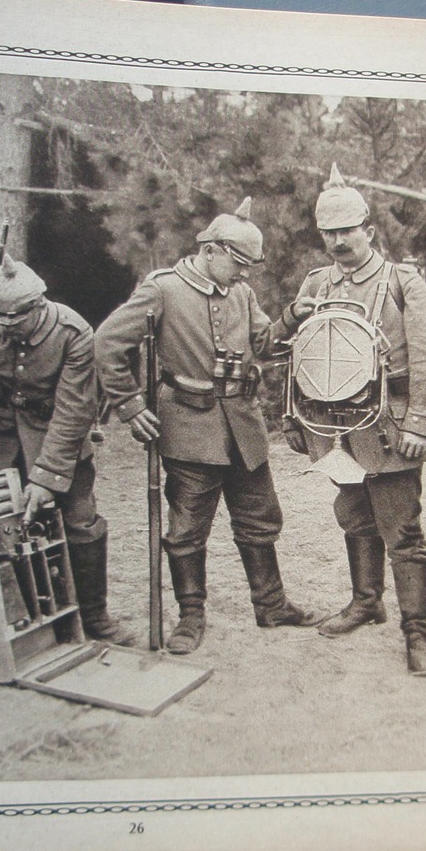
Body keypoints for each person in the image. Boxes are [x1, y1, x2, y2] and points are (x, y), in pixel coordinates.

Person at [93, 197, 319, 654]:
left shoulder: (242, 292)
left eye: (249, 266)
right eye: (238, 262)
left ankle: (271, 605)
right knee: (187, 529)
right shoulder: (162, 289)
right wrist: (131, 406)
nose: (244, 274)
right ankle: (190, 616)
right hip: (188, 427)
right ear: (210, 249)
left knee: (259, 518)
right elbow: (106, 343)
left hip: (242, 423)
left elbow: (263, 344)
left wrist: (292, 317)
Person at [276, 165, 426, 676]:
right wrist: (293, 417)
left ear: (369, 232)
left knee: (401, 528)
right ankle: (366, 601)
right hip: (335, 428)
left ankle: (416, 633)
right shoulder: (313, 284)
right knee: (353, 514)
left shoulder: (404, 282)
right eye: (328, 232)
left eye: (346, 231)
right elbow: (295, 357)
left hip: (391, 424)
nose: (336, 241)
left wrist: (421, 422)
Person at [0, 253, 129, 643]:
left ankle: (94, 616)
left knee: (81, 522)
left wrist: (46, 477)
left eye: (18, 319)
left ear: (39, 303)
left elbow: (75, 410)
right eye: (1, 318)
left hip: (57, 432)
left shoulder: (73, 331)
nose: (8, 327)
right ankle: (14, 616)